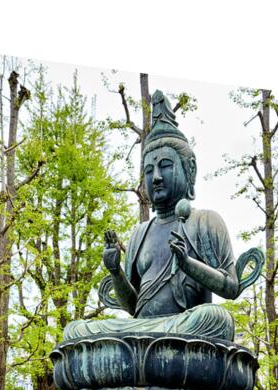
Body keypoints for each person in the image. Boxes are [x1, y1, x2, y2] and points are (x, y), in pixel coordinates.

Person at [62, 91, 258, 344]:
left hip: (187, 326)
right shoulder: (140, 233)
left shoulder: (205, 221)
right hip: (143, 328)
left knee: (216, 318)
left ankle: (144, 348)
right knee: (75, 331)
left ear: (189, 170)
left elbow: (230, 288)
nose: (155, 177)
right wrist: (115, 271)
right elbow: (133, 306)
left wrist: (187, 264)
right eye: (148, 170)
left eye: (165, 166)